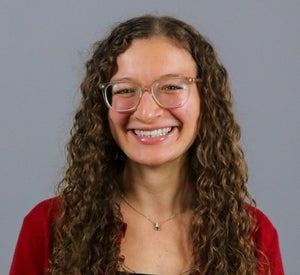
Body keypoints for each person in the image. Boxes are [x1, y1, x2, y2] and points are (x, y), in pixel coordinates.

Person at [10, 15, 284, 275]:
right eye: (126, 90)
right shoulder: (49, 227)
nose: (146, 112)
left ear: (206, 100)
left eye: (172, 87)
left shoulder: (252, 234)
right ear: (101, 108)